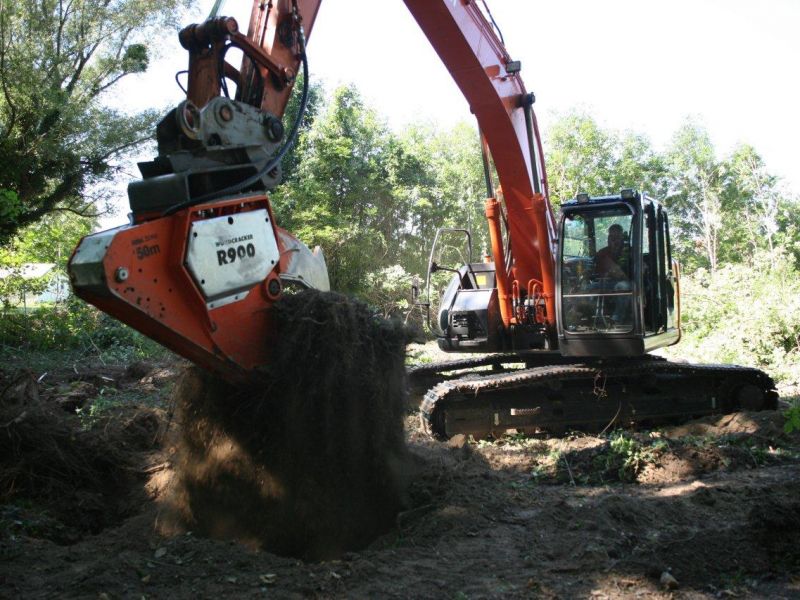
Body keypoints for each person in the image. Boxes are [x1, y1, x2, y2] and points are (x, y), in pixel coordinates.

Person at [594, 223, 632, 326]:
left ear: (622, 238)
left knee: (622, 286)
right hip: (605, 282)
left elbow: (635, 272)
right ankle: (584, 318)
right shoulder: (602, 253)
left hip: (627, 282)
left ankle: (616, 320)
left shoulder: (630, 252)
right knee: (586, 287)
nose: (614, 240)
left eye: (617, 237)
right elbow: (595, 272)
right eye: (611, 237)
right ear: (608, 238)